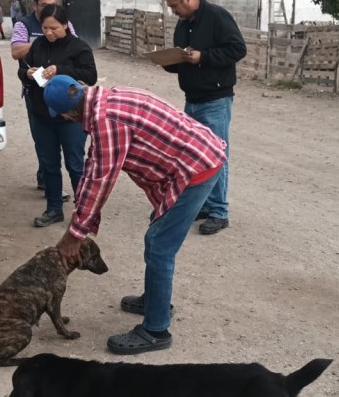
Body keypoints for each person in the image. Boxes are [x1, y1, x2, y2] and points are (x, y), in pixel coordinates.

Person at [45, 75, 226, 354]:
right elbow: (94, 165)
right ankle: (155, 300)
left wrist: (75, 235)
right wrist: (78, 225)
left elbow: (100, 181)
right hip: (198, 156)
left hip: (196, 169)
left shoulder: (106, 122)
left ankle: (156, 330)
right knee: (157, 238)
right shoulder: (107, 100)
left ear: (69, 115)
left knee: (158, 246)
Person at [162, 0, 246, 236]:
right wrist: (168, 60)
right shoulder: (184, 23)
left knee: (217, 156)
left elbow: (237, 49)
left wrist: (204, 57)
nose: (173, 11)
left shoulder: (217, 16)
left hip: (215, 100)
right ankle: (203, 204)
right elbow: (183, 56)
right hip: (193, 100)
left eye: (175, 5)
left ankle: (219, 212)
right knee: (197, 156)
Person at [23, 5, 96, 228]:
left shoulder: (79, 47)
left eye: (54, 28)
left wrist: (60, 69)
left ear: (65, 25)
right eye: (45, 28)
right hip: (42, 114)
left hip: (70, 117)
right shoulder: (38, 45)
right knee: (49, 164)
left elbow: (90, 76)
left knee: (75, 164)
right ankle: (54, 208)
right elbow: (23, 67)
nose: (49, 32)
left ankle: (83, 211)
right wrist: (27, 73)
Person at [11, 0, 78, 192]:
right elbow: (16, 51)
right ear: (35, 5)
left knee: (71, 152)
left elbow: (75, 46)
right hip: (36, 93)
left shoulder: (65, 23)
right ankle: (46, 180)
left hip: (64, 94)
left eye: (52, 5)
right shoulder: (24, 24)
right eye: (44, 6)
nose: (49, 9)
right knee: (43, 140)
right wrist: (45, 41)